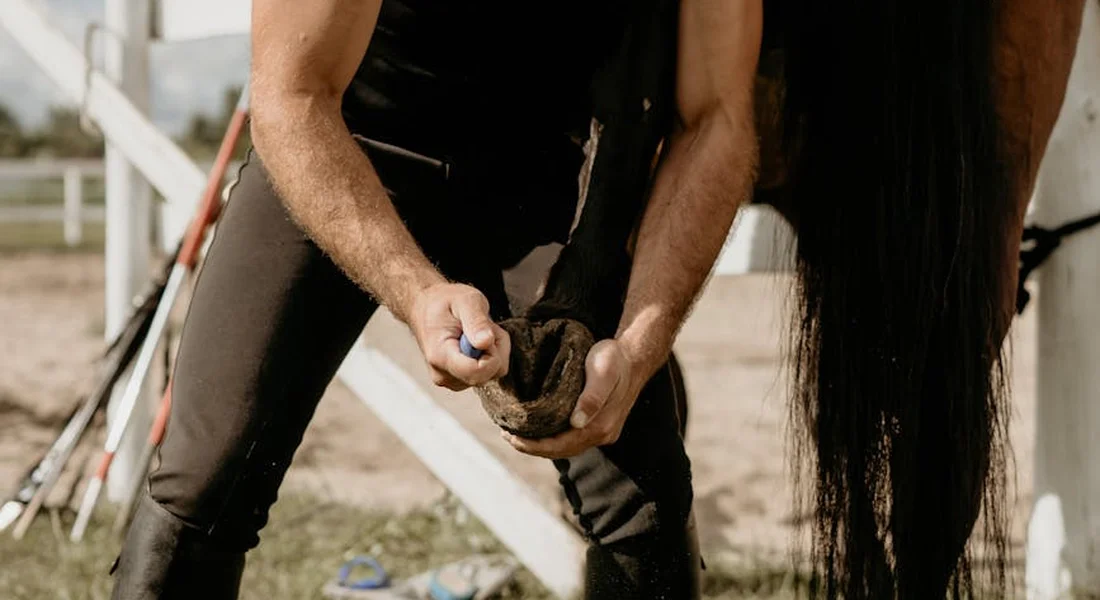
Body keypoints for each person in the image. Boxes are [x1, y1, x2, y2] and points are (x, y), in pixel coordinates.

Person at [109, 0, 762, 598]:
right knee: (204, 482)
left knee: (640, 502)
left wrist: (642, 343)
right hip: (349, 142)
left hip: (547, 174)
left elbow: (717, 118)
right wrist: (417, 291)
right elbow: (293, 97)